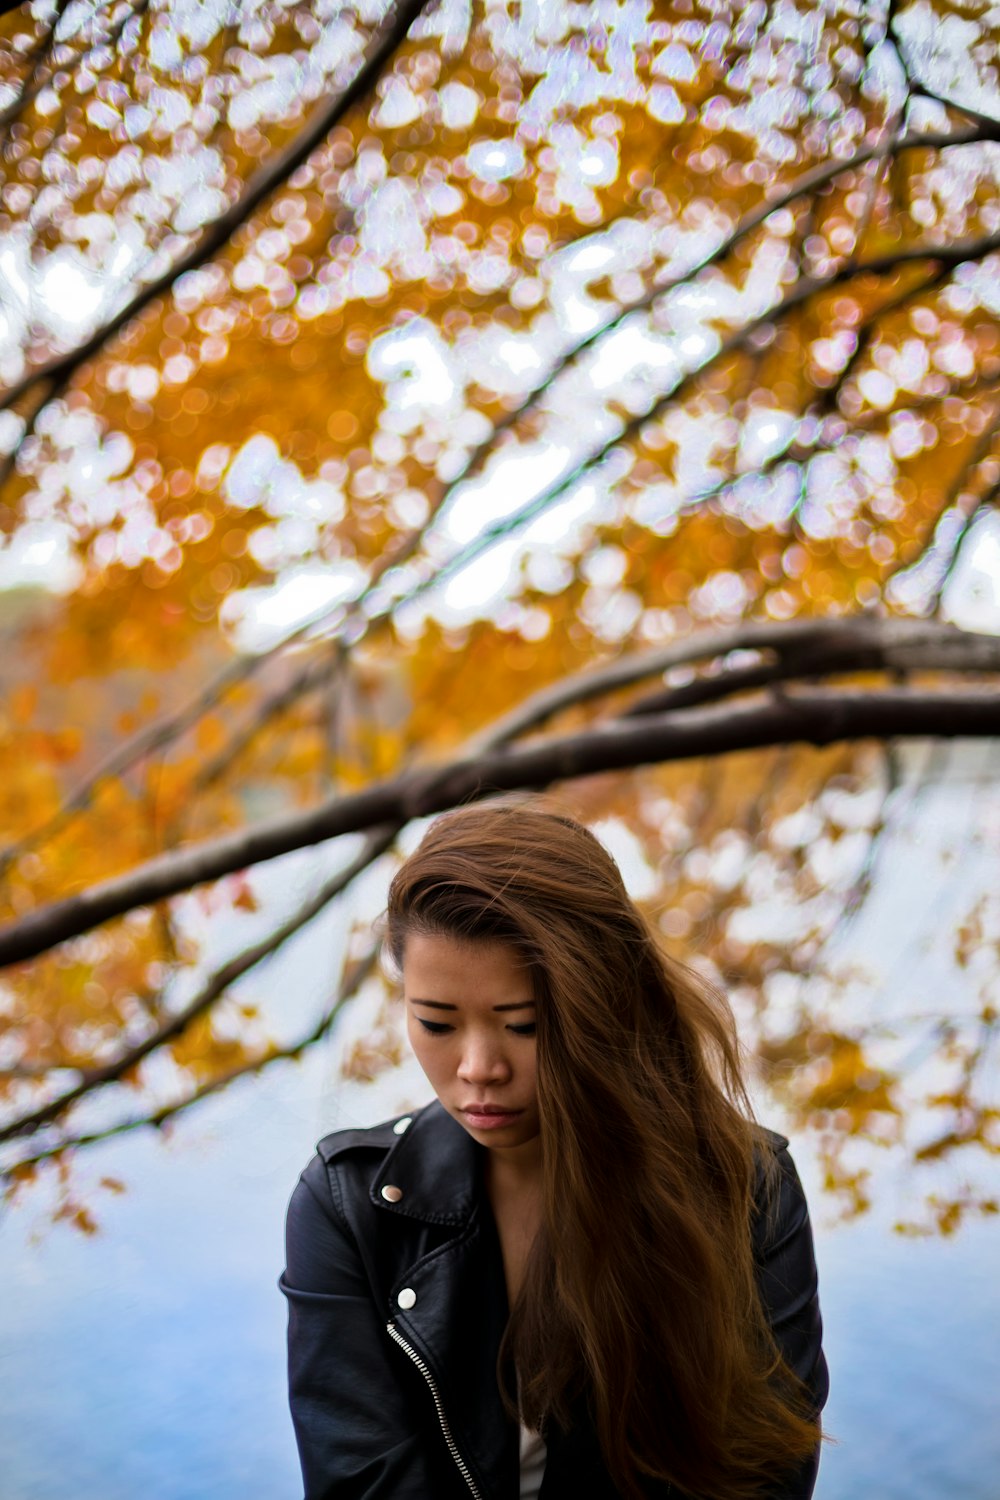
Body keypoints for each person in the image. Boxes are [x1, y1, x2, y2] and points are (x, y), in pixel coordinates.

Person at [280, 801, 829, 1499]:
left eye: (524, 1025)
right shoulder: (350, 1205)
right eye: (436, 1023)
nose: (479, 1067)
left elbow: (767, 1475)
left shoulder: (742, 1184)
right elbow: (360, 1481)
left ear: (601, 1006)